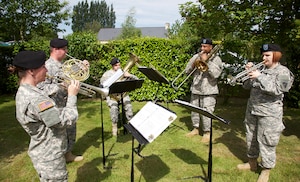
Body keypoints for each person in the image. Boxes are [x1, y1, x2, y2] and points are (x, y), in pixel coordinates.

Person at [11, 50, 80, 181]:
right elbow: (65, 121)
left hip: (44, 152)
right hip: (50, 157)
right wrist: (72, 96)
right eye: (43, 67)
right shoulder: (36, 99)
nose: (46, 70)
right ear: (31, 71)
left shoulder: (26, 91)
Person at [237, 44, 294, 182]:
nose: (264, 58)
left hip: (270, 113)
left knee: (267, 140)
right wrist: (248, 73)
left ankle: (266, 170)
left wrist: (259, 76)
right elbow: (246, 86)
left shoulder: (284, 72)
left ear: (276, 55)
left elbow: (279, 90)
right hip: (253, 109)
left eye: (267, 55)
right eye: (263, 55)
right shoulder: (260, 69)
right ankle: (252, 163)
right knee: (250, 137)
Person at [37, 38, 88, 162]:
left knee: (70, 129)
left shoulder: (63, 65)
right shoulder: (47, 66)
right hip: (55, 106)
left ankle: (68, 154)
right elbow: (41, 88)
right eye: (64, 49)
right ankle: (58, 158)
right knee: (59, 134)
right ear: (55, 49)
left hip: (68, 103)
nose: (67, 51)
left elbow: (74, 77)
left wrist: (82, 67)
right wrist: (60, 86)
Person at [185, 38, 223, 143]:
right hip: (196, 88)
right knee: (194, 110)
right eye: (201, 46)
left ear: (211, 47)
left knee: (207, 111)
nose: (202, 48)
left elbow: (216, 74)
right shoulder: (195, 57)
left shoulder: (217, 59)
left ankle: (207, 132)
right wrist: (193, 63)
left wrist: (207, 62)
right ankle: (195, 128)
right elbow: (187, 71)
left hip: (209, 90)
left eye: (205, 46)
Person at [100, 57, 138, 136]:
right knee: (114, 108)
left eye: (119, 65)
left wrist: (129, 75)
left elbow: (136, 80)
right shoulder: (107, 74)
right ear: (112, 66)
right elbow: (102, 86)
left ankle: (131, 125)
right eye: (116, 65)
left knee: (128, 106)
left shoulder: (124, 72)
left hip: (123, 94)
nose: (118, 67)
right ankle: (114, 126)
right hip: (112, 95)